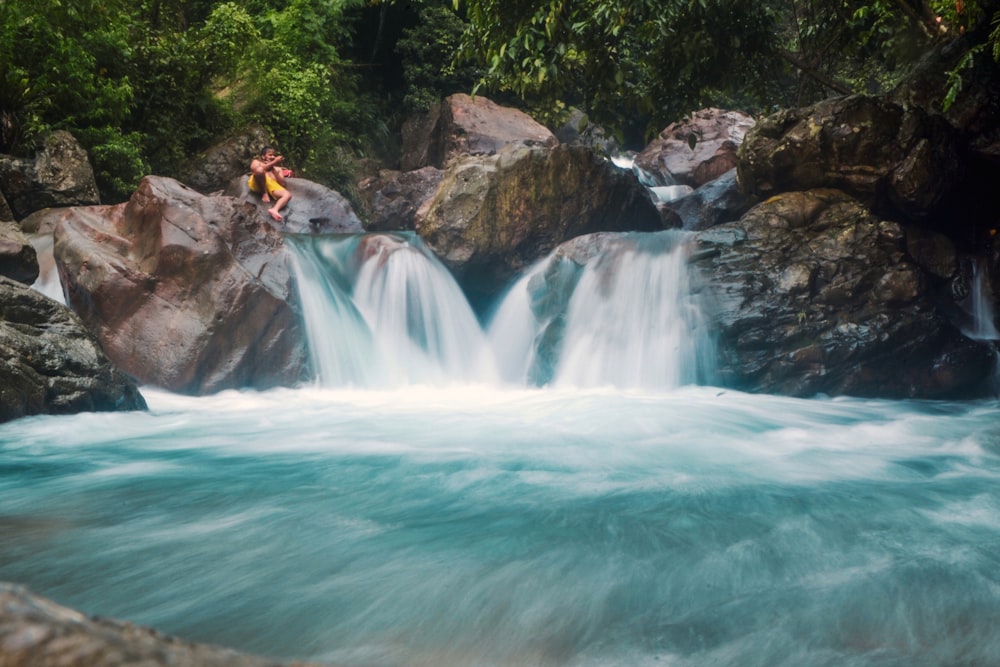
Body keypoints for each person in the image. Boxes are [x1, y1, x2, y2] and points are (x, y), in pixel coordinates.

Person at [248, 146, 292, 222]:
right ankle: (264, 193)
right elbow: (256, 170)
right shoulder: (256, 162)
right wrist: (273, 162)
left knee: (287, 195)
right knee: (259, 170)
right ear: (263, 156)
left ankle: (275, 209)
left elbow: (283, 184)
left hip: (271, 187)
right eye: (270, 155)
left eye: (273, 155)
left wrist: (273, 168)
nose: (272, 157)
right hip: (257, 184)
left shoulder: (278, 169)